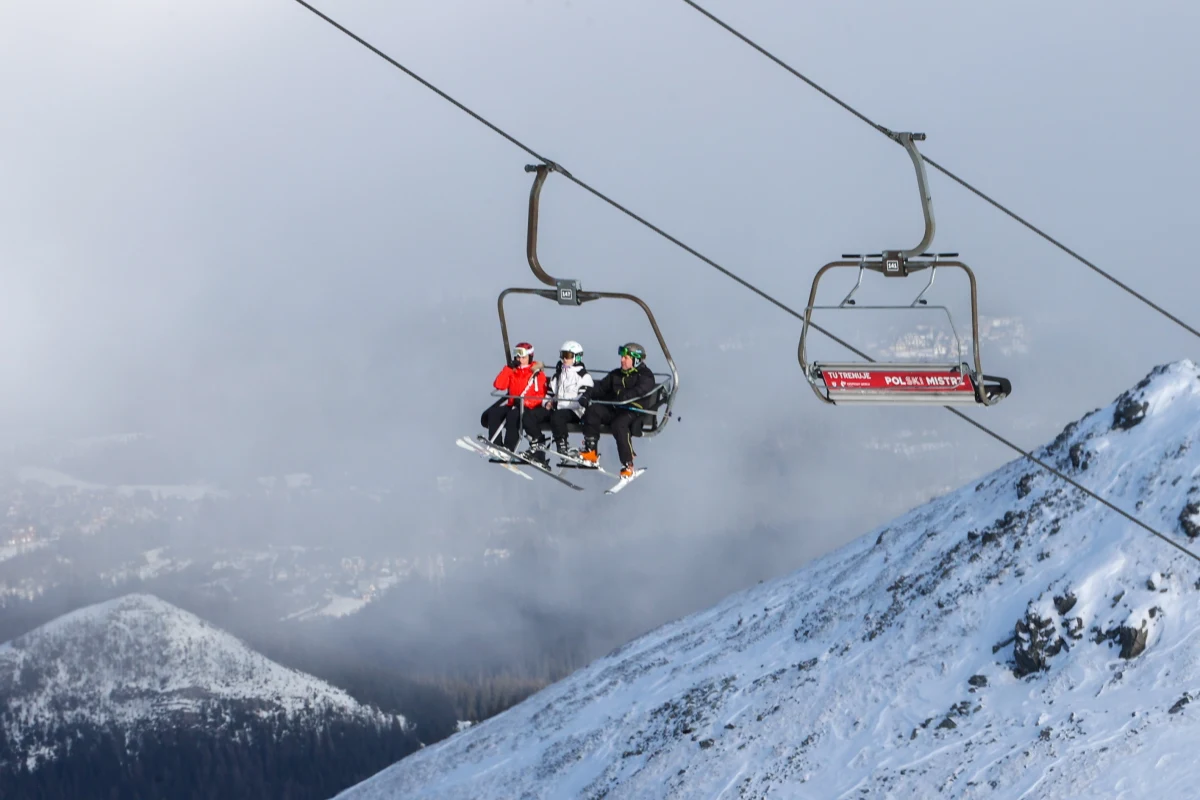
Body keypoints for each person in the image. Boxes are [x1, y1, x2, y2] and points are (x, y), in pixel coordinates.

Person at [577, 342, 657, 478]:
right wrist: (587, 395)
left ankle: (628, 464)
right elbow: (601, 387)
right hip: (615, 408)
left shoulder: (645, 376)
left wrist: (624, 396)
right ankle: (591, 452)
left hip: (634, 410)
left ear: (636, 360)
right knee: (593, 410)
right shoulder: (616, 374)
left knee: (619, 424)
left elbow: (641, 390)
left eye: (626, 358)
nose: (622, 360)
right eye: (622, 357)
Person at [481, 341, 549, 459]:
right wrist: (508, 369)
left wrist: (525, 402)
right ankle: (496, 445)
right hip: (513, 403)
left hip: (528, 406)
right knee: (494, 412)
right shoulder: (513, 371)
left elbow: (540, 395)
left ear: (530, 357)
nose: (520, 359)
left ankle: (509, 448)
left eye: (523, 356)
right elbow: (499, 385)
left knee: (513, 415)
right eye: (517, 356)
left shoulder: (537, 374)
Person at [543, 340, 594, 456]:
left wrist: (558, 405)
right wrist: (546, 404)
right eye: (563, 355)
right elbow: (549, 394)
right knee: (532, 415)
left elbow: (581, 402)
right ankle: (536, 444)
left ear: (577, 358)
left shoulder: (584, 377)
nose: (565, 359)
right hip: (559, 410)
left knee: (557, 416)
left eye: (568, 356)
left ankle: (562, 447)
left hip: (575, 412)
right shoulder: (558, 375)